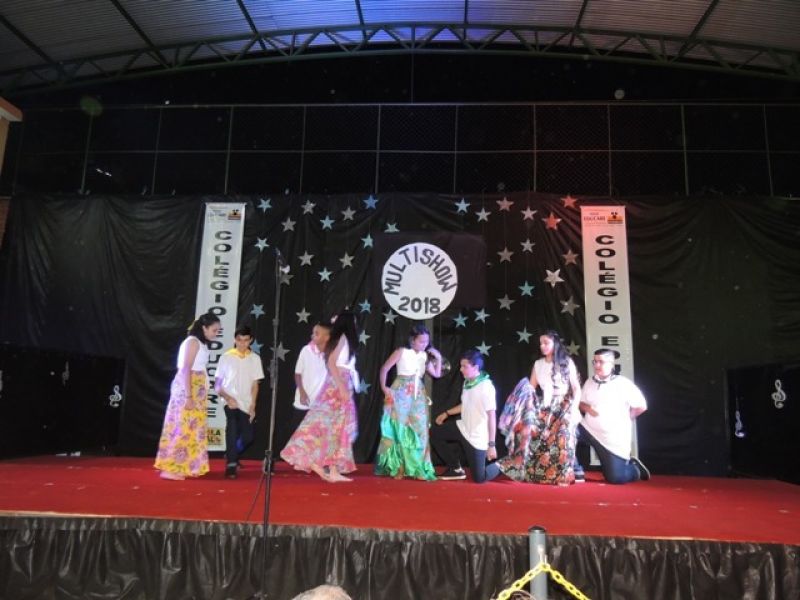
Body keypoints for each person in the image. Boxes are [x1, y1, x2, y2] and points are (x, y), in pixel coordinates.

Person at [281, 309, 359, 482]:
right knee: (332, 425)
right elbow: (331, 362)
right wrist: (341, 387)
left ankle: (332, 469)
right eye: (353, 321)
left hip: (342, 382)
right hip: (339, 383)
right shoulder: (342, 338)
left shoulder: (341, 339)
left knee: (336, 428)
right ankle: (319, 463)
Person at [496, 330, 582, 485]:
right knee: (531, 434)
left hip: (564, 405)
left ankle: (563, 475)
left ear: (555, 343)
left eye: (546, 343)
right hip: (545, 406)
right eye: (541, 343)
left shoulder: (566, 362)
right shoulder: (538, 364)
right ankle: (535, 473)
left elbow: (576, 388)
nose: (542, 346)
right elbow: (531, 388)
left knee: (563, 438)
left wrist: (574, 408)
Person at [155, 312, 221, 480]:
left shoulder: (200, 343)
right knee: (182, 427)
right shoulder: (192, 342)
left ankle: (186, 465)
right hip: (188, 389)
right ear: (204, 328)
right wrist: (189, 396)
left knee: (191, 428)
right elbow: (185, 369)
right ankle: (171, 468)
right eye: (214, 330)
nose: (216, 334)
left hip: (196, 389)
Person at [375, 324, 442, 480]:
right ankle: (399, 466)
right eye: (421, 341)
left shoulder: (425, 356)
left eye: (426, 342)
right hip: (401, 391)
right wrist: (384, 387)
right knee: (400, 428)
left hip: (418, 394)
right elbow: (384, 368)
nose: (424, 344)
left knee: (420, 429)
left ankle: (418, 468)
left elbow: (437, 374)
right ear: (412, 340)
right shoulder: (402, 351)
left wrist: (438, 358)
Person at [575, 348, 650, 484]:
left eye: (601, 362)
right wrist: (588, 408)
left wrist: (627, 418)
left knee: (616, 478)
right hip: (589, 430)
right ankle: (576, 470)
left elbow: (642, 406)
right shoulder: (589, 382)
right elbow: (580, 403)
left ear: (611, 364)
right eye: (595, 362)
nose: (597, 365)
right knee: (566, 432)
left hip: (611, 441)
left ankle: (635, 470)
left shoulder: (623, 384)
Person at [430, 349, 500, 483]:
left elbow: (492, 417)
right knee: (434, 433)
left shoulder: (486, 387)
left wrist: (491, 445)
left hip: (476, 436)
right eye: (461, 366)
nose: (461, 369)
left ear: (476, 367)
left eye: (464, 366)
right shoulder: (467, 382)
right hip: (463, 427)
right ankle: (455, 468)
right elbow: (466, 405)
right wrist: (446, 413)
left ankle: (504, 465)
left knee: (479, 478)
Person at [214, 325, 265, 479]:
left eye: (246, 340)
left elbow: (255, 384)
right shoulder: (226, 357)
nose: (242, 343)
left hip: (246, 402)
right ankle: (231, 464)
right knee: (232, 428)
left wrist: (253, 405)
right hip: (230, 401)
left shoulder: (255, 358)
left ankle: (232, 453)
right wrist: (228, 398)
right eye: (239, 340)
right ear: (234, 340)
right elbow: (217, 385)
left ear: (251, 340)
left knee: (248, 436)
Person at [290, 321, 332, 436]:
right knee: (298, 436)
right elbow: (297, 374)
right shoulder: (306, 350)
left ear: (327, 337)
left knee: (316, 438)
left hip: (320, 405)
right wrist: (302, 392)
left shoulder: (331, 354)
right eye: (313, 333)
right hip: (303, 402)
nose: (313, 335)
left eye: (317, 333)